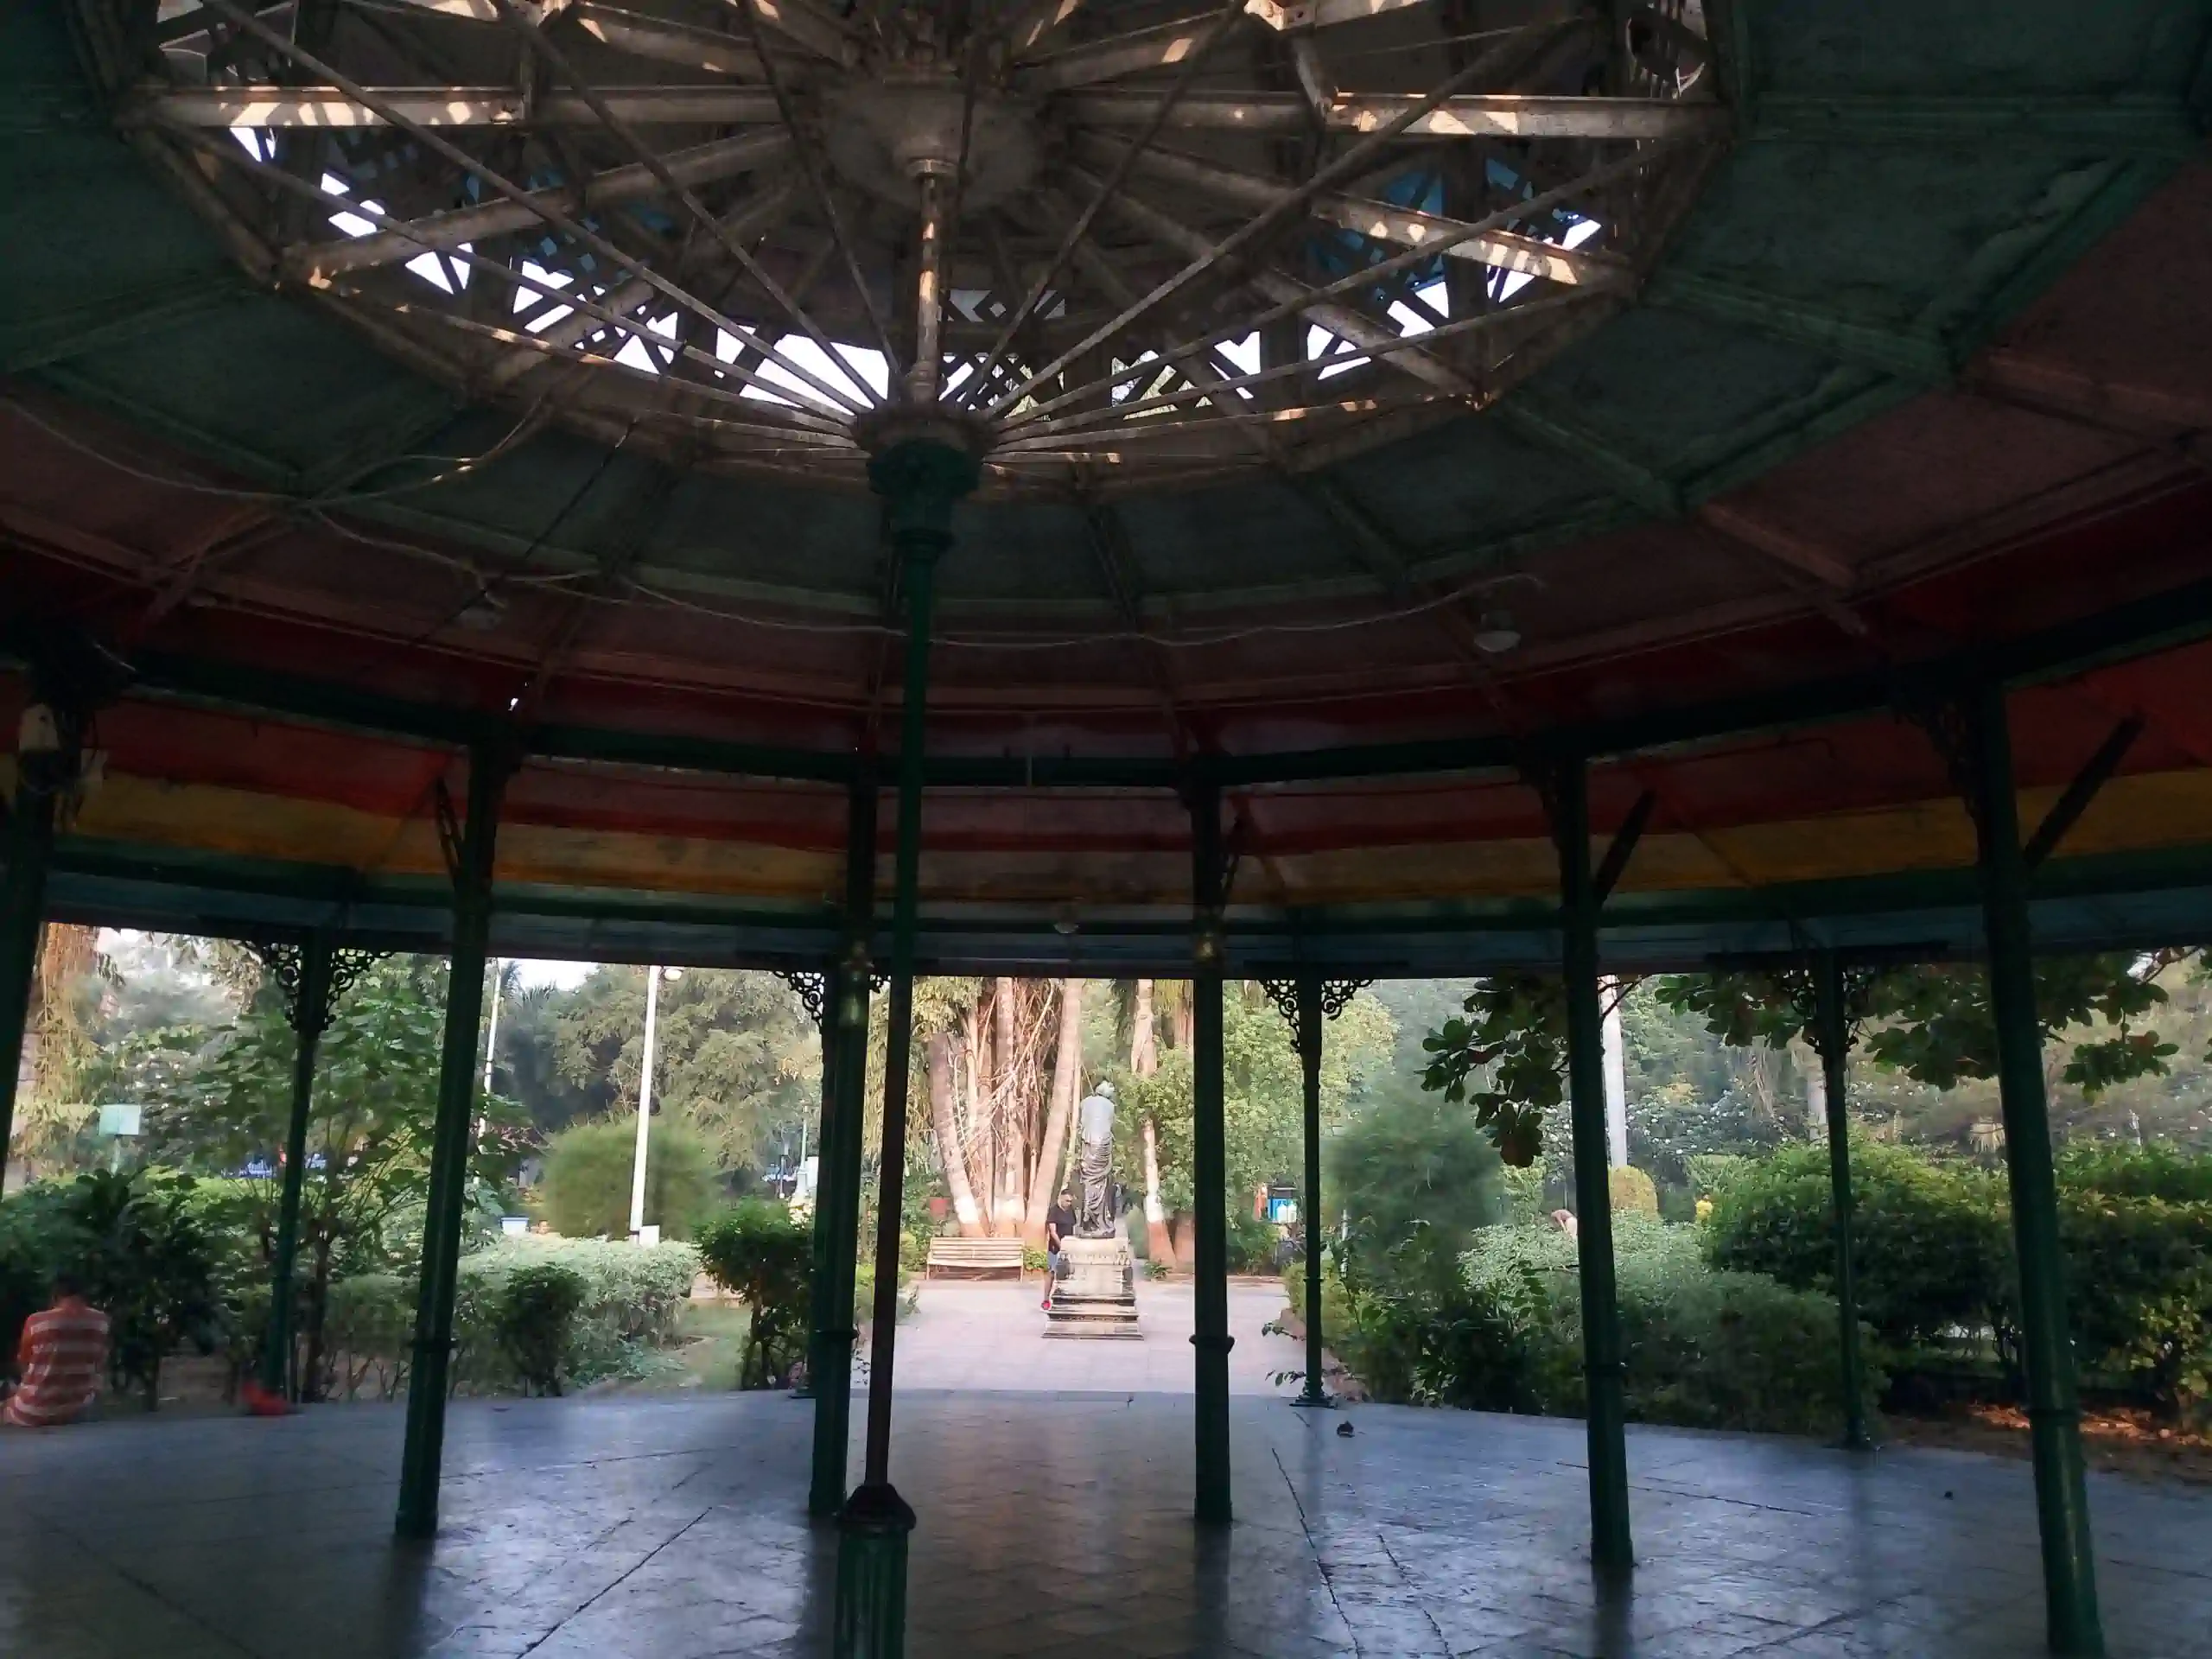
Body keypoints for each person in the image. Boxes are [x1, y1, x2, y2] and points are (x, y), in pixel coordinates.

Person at [4, 1271, 109, 1428]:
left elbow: (23, 1364)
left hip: (34, 1411)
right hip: (76, 1411)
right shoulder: (101, 1321)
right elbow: (99, 1363)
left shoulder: (36, 1321)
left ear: (55, 1295)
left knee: (6, 1404)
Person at [1043, 1188, 1077, 1311]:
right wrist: (1061, 1246)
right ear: (1061, 1198)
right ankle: (1046, 1299)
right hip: (1055, 1248)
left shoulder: (1071, 1211)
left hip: (1069, 1247)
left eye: (1070, 1201)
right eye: (1067, 1201)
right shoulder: (1054, 1211)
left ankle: (1063, 1297)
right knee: (1052, 1273)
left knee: (1067, 1273)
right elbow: (1053, 1232)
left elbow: (1074, 1227)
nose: (1069, 1203)